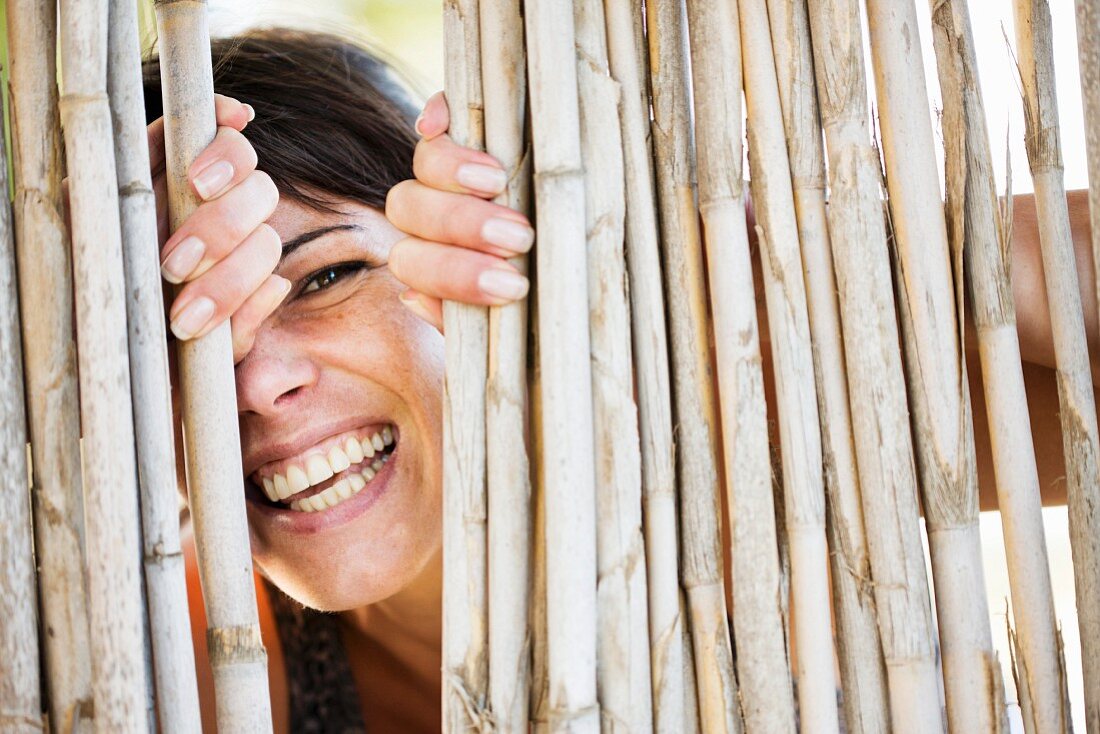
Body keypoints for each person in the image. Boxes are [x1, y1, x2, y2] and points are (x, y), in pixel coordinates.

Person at [142, 28, 1096, 732]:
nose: (258, 382)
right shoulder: (178, 664)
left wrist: (822, 274)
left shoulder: (732, 437)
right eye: (177, 336)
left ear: (455, 247)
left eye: (327, 277)